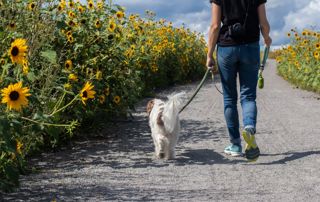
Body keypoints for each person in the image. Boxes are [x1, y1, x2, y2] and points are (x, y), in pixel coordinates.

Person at [206, 0, 272, 161]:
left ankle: (235, 145)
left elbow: (215, 26)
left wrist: (209, 54)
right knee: (248, 96)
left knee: (229, 98)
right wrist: (267, 37)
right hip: (250, 47)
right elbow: (263, 23)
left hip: (226, 48)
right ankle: (249, 127)